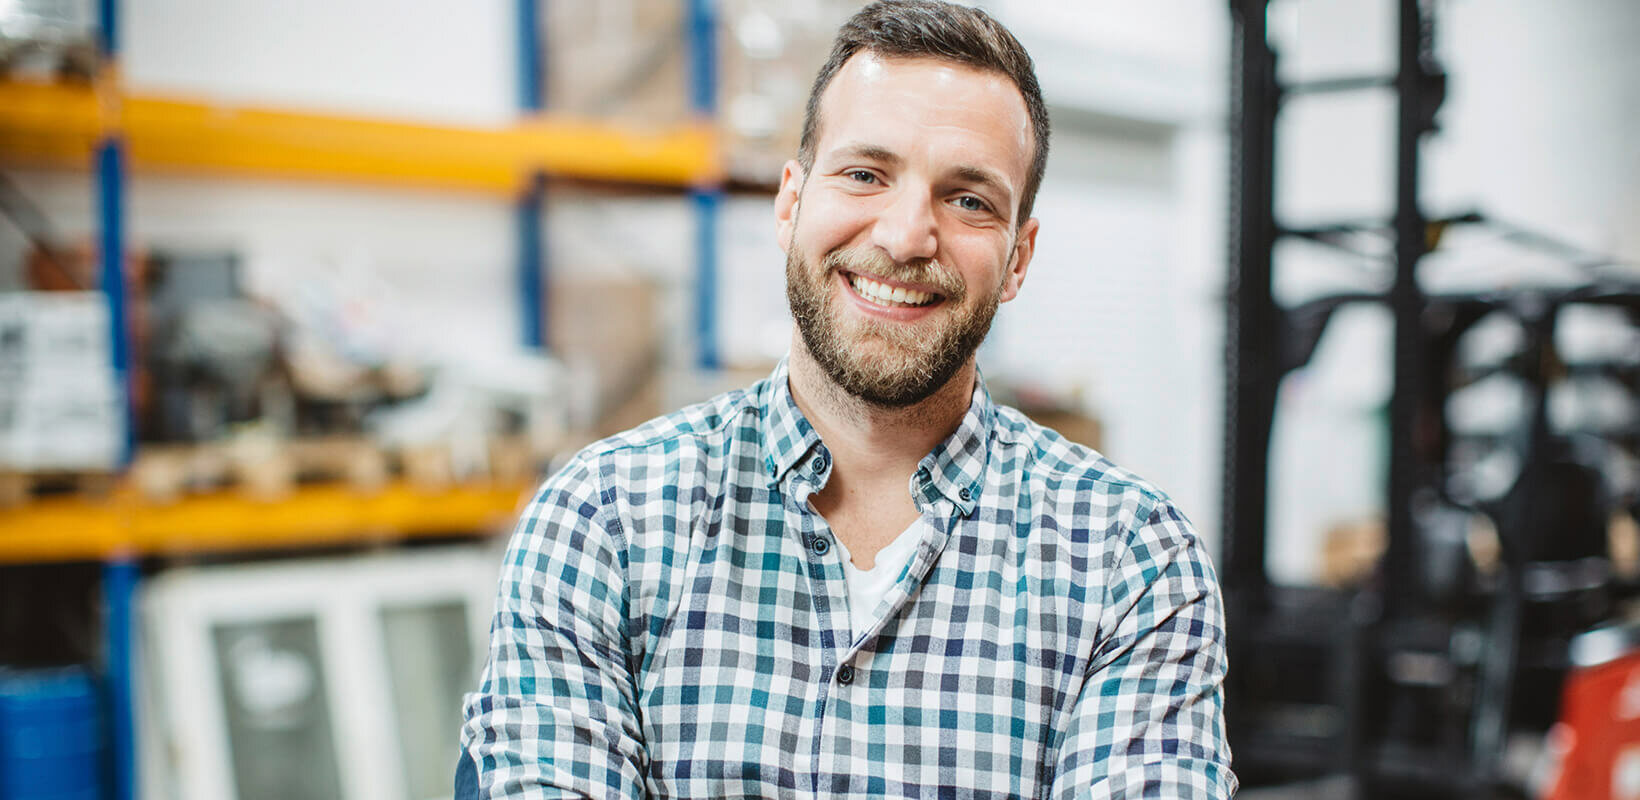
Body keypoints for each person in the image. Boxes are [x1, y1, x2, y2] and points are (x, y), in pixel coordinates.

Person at [457, 1, 1235, 797]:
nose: (905, 236)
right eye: (865, 175)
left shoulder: (1128, 560)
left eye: (968, 199)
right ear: (789, 203)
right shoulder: (603, 521)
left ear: (1018, 259)